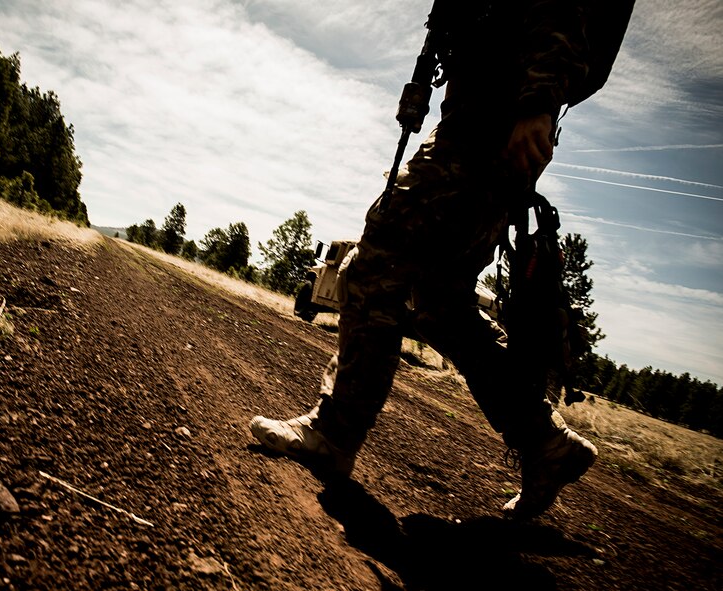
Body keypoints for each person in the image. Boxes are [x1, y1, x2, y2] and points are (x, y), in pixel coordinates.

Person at [250, 0, 633, 519]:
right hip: (483, 125)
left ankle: (334, 433)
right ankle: (544, 441)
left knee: (375, 262)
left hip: (485, 133)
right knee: (440, 299)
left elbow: (556, 6)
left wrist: (537, 102)